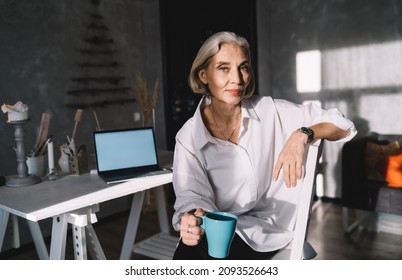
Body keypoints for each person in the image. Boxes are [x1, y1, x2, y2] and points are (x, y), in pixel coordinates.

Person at [171, 31, 357, 259]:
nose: (237, 79)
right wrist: (193, 216)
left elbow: (342, 124)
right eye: (223, 68)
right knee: (191, 249)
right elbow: (192, 193)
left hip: (271, 228)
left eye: (243, 67)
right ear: (203, 75)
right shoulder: (188, 136)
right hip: (221, 229)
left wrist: (304, 134)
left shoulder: (269, 111)